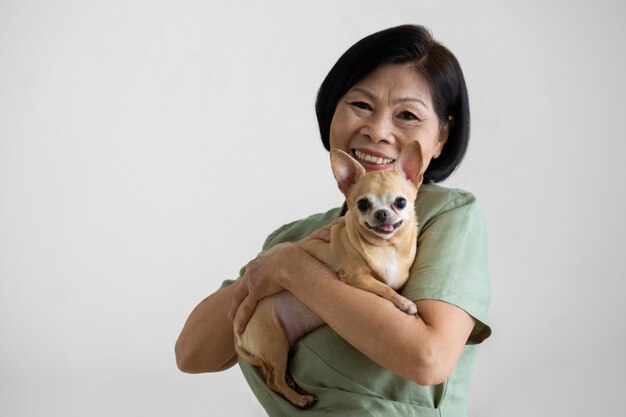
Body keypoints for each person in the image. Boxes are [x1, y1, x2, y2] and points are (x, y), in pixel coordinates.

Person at [175, 24, 491, 416]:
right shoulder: (295, 238)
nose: (377, 131)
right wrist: (278, 264)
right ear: (331, 111)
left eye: (407, 115)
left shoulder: (447, 216)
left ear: (441, 136)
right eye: (361, 105)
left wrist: (295, 271)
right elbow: (192, 354)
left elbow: (427, 359)